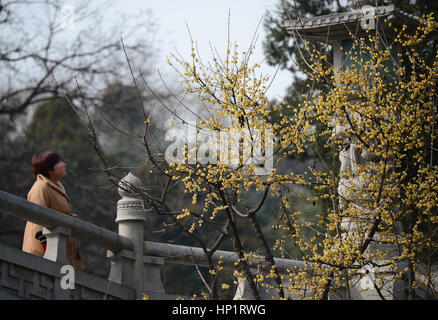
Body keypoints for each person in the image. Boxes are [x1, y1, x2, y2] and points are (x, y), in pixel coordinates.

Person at [22, 151, 84, 270]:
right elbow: (38, 222)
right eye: (59, 162)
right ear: (50, 169)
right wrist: (48, 253)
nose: (64, 164)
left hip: (58, 253)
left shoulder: (58, 186)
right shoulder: (40, 187)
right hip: (42, 254)